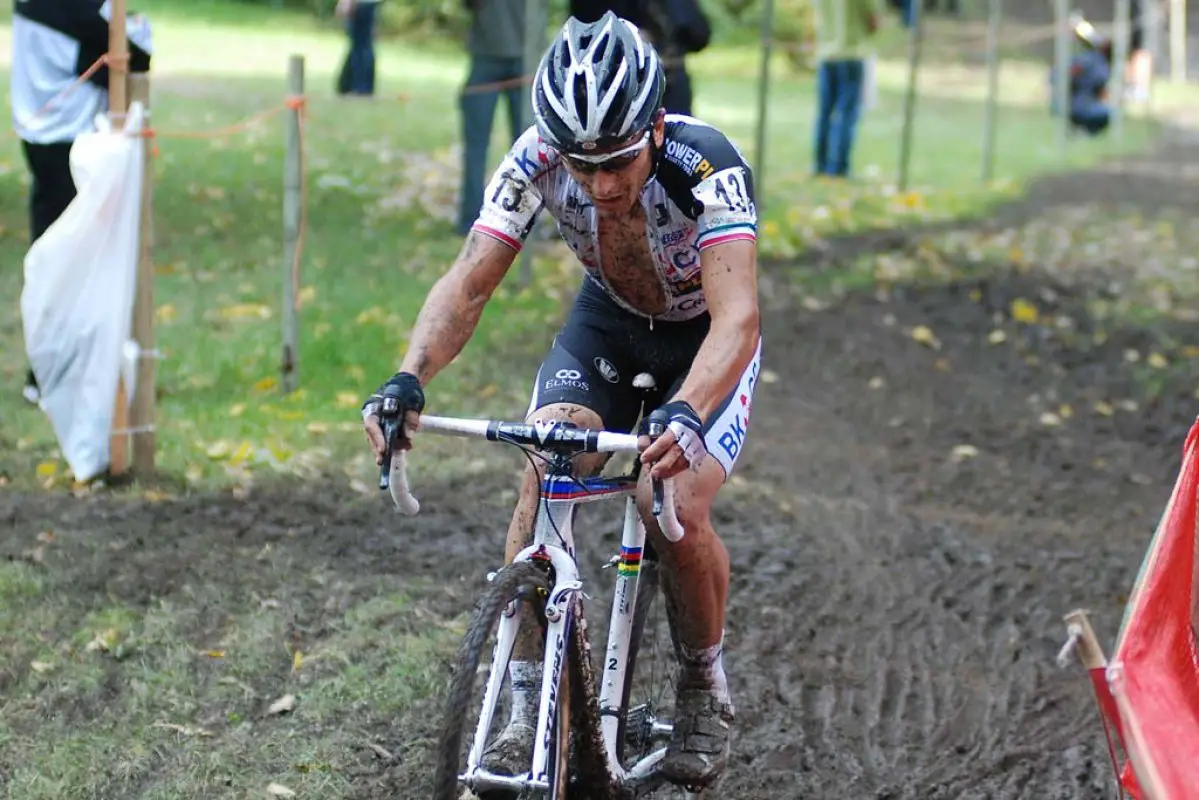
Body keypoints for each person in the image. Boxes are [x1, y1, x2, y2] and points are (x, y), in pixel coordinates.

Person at [362, 12, 761, 789]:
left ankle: (702, 685)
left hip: (702, 338)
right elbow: (469, 282)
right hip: (606, 327)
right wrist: (408, 377)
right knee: (545, 459)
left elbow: (738, 315)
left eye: (616, 161)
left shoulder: (706, 162)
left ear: (653, 124)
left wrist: (685, 412)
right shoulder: (534, 156)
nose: (601, 185)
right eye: (582, 167)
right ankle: (519, 712)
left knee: (666, 495)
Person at [11, 0, 152, 403]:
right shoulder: (69, 11)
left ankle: (55, 371)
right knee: (68, 263)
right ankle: (49, 375)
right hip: (68, 147)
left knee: (58, 257)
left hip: (43, 140)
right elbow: (134, 61)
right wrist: (137, 29)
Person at [456, 0, 548, 236]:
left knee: (529, 150)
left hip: (524, 56)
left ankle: (526, 221)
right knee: (479, 144)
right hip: (490, 53)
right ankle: (471, 218)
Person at [810, 0, 882, 178]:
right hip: (852, 53)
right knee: (847, 113)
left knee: (825, 113)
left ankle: (820, 164)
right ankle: (839, 167)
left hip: (826, 53)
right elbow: (872, 20)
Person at [335, 0, 382, 97]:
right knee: (361, 45)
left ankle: (361, 88)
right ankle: (347, 85)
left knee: (361, 47)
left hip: (360, 4)